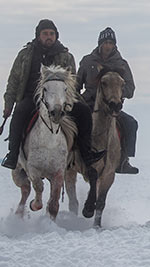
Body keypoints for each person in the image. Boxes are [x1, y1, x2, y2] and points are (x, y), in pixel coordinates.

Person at [2, 19, 105, 170]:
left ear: (56, 36)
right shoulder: (25, 55)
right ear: (38, 36)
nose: (49, 37)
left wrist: (68, 100)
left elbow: (72, 82)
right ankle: (13, 155)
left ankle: (86, 154)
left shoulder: (66, 56)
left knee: (83, 112)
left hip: (60, 99)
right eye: (45, 34)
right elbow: (14, 81)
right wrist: (8, 105)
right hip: (32, 97)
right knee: (19, 113)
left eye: (52, 34)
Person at [76, 27, 139, 174]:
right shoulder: (88, 61)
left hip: (112, 107)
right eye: (105, 42)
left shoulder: (122, 64)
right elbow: (77, 85)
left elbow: (130, 88)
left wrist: (115, 92)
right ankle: (71, 157)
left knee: (130, 123)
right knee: (72, 124)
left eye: (111, 43)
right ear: (100, 44)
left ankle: (124, 160)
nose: (108, 46)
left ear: (115, 45)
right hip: (88, 105)